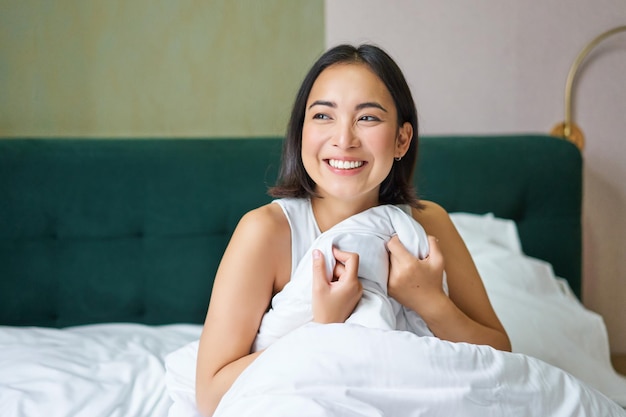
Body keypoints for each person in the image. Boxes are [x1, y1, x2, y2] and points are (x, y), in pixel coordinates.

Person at [195, 43, 511, 417]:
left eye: (368, 118)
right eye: (323, 116)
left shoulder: (429, 223)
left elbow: (501, 355)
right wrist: (324, 329)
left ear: (401, 140)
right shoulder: (266, 232)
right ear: (301, 133)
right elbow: (211, 394)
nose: (344, 139)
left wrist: (429, 301)